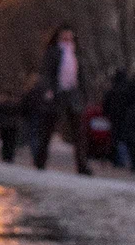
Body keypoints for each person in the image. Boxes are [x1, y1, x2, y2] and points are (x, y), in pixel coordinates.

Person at [34, 25, 92, 175]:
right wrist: (48, 90)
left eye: (69, 38)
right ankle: (40, 160)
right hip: (56, 95)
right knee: (48, 130)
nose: (67, 41)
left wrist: (84, 95)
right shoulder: (52, 53)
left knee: (79, 133)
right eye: (64, 38)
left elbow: (82, 76)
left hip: (73, 95)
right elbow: (46, 73)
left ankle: (82, 165)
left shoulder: (77, 54)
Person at [0, 92, 20, 163]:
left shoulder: (2, 105)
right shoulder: (15, 105)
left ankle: (5, 156)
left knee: (5, 142)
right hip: (13, 126)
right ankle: (10, 156)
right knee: (11, 142)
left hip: (4, 126)